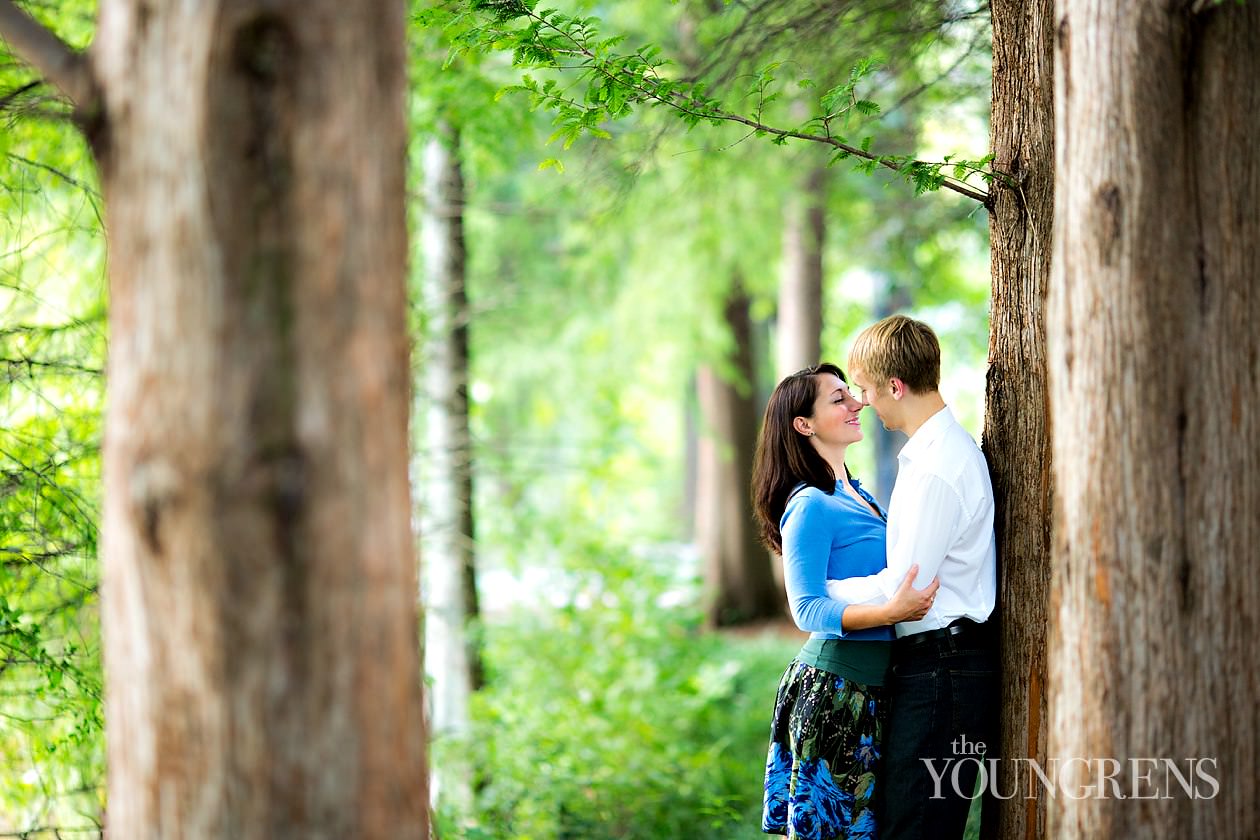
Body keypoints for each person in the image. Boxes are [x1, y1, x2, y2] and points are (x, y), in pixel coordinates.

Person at [825, 315, 998, 840]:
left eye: (866, 390)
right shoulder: (933, 454)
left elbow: (904, 590)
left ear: (895, 387)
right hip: (938, 665)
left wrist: (820, 598)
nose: (863, 403)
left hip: (943, 667)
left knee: (916, 829)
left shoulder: (936, 468)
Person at [752, 362, 939, 840]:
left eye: (851, 395)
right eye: (838, 399)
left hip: (874, 689)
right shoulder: (810, 504)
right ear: (804, 424)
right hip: (836, 693)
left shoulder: (858, 494)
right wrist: (890, 613)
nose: (857, 403)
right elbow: (806, 608)